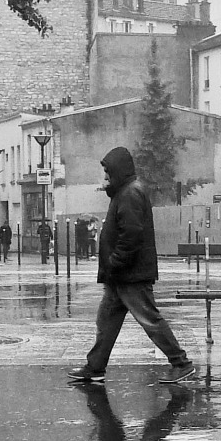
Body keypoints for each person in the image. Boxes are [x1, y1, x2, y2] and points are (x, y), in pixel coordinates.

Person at [74, 146, 195, 383]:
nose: (105, 178)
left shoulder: (130, 194)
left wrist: (115, 262)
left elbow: (132, 234)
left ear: (118, 172)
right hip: (120, 275)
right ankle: (95, 366)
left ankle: (181, 363)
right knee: (106, 320)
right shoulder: (124, 192)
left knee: (150, 320)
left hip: (131, 275)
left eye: (108, 173)